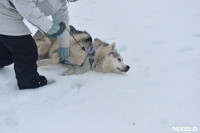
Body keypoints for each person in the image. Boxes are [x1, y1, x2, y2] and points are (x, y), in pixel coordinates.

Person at [0, 0, 77, 89]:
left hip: (10, 13)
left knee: (8, 51)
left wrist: (64, 45)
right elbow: (22, 2)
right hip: (4, 12)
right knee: (26, 49)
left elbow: (63, 21)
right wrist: (48, 26)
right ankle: (28, 82)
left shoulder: (61, 3)